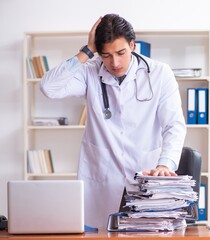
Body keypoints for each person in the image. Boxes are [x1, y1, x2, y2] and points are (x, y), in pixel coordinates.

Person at [40, 14, 186, 229]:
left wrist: (165, 165)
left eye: (121, 53)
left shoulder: (159, 73)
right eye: (106, 55)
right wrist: (87, 51)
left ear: (133, 45)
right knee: (100, 231)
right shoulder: (90, 72)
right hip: (101, 177)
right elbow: (49, 88)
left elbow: (173, 125)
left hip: (145, 175)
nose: (115, 63)